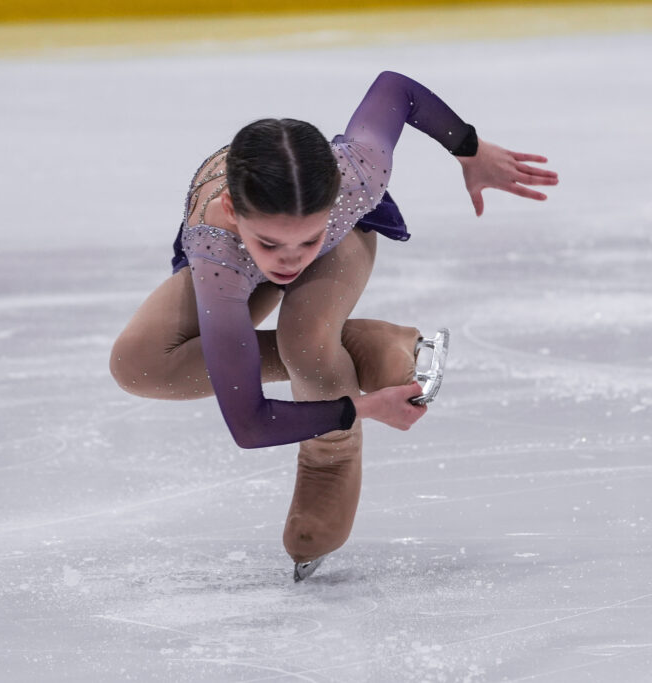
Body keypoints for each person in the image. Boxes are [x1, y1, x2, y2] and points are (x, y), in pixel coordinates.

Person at [109, 70, 557, 581]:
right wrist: (364, 406)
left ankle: (329, 455)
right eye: (273, 244)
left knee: (308, 344)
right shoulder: (219, 254)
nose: (291, 262)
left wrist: (469, 149)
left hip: (343, 240)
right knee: (141, 365)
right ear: (233, 211)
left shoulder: (358, 177)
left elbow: (396, 90)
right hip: (237, 257)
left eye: (305, 239)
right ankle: (367, 345)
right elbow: (249, 424)